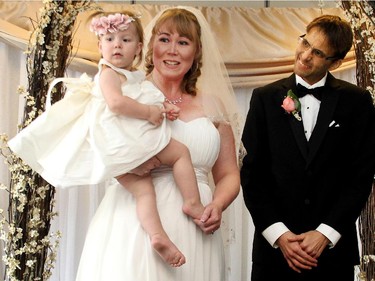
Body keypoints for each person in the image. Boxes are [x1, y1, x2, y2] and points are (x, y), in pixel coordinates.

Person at [8, 11, 207, 267]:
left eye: (125, 40)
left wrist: (165, 107)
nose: (117, 45)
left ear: (137, 48)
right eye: (109, 39)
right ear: (100, 45)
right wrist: (149, 113)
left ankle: (158, 236)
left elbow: (148, 96)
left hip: (114, 153)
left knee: (145, 193)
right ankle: (192, 203)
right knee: (180, 153)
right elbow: (115, 103)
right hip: (122, 146)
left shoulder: (133, 78)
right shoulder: (108, 74)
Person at [75, 6, 243, 281]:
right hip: (135, 221)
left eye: (183, 42)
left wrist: (218, 204)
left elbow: (228, 174)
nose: (172, 50)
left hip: (196, 227)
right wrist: (130, 163)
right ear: (149, 45)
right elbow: (98, 146)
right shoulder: (128, 92)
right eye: (164, 39)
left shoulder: (215, 105)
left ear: (197, 51)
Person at [240, 14, 375, 281]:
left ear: (335, 62)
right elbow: (252, 174)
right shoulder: (264, 98)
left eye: (317, 52)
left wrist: (326, 232)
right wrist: (279, 234)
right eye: (305, 43)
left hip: (332, 255)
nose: (304, 55)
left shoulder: (357, 102)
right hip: (274, 253)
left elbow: (360, 176)